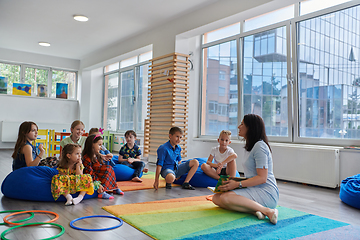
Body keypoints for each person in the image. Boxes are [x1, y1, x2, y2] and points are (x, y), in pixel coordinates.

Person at [212, 114, 279, 225]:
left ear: (250, 127)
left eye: (242, 124)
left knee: (226, 198)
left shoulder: (260, 146)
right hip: (254, 188)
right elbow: (252, 176)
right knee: (216, 198)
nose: (239, 127)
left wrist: (238, 184)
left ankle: (268, 211)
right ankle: (255, 210)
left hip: (267, 192)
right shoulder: (251, 146)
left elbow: (262, 178)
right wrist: (235, 181)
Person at [82, 134, 123, 199]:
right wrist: (98, 184)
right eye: (99, 145)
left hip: (97, 175)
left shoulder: (96, 155)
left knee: (109, 168)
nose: (101, 147)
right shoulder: (87, 157)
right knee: (108, 169)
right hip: (91, 177)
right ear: (92, 144)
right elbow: (89, 173)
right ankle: (101, 192)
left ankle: (114, 187)